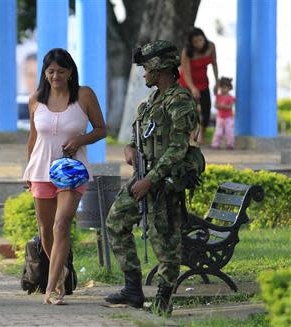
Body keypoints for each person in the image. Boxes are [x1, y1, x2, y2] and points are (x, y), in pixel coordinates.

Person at [105, 40, 199, 316]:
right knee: (116, 222)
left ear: (159, 68)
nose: (143, 73)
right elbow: (136, 138)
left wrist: (152, 180)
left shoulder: (179, 101)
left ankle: (163, 300)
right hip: (143, 177)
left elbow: (178, 149)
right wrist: (129, 149)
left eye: (146, 67)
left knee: (165, 242)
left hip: (165, 182)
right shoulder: (150, 103)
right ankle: (133, 288)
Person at [23, 48, 106, 305]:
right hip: (41, 169)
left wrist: (81, 139)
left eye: (61, 71)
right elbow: (33, 138)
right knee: (46, 231)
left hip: (72, 171)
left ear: (70, 72)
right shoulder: (36, 99)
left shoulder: (84, 95)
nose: (56, 75)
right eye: (51, 71)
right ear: (45, 74)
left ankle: (52, 287)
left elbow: (102, 129)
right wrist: (28, 169)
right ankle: (62, 272)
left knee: (62, 225)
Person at [179, 27, 219, 144]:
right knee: (190, 110)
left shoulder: (211, 46)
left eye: (200, 40)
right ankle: (191, 137)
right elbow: (185, 72)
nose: (199, 44)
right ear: (191, 43)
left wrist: (217, 81)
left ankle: (203, 135)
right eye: (195, 42)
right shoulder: (187, 52)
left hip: (203, 82)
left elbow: (214, 64)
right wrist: (192, 88)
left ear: (204, 38)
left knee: (206, 108)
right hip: (187, 82)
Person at [211, 77, 236, 150]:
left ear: (229, 88)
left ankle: (230, 144)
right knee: (218, 132)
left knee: (229, 132)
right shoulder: (218, 96)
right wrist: (220, 106)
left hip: (229, 118)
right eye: (221, 87)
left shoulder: (231, 97)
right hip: (220, 118)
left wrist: (224, 106)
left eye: (225, 88)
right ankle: (215, 144)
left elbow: (230, 106)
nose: (223, 89)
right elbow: (215, 105)